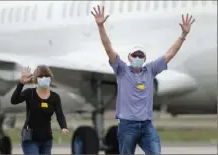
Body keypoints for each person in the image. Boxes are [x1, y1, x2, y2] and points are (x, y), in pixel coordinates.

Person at [91, 5, 195, 155]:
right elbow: (108, 48)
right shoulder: (122, 70)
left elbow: (170, 53)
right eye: (135, 55)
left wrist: (183, 35)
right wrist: (100, 26)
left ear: (145, 58)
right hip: (127, 126)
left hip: (146, 126)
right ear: (129, 57)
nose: (138, 58)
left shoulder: (150, 70)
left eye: (141, 56)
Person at [11, 65, 69, 154]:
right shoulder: (30, 93)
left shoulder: (55, 97)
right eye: (41, 76)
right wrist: (21, 84)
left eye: (47, 76)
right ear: (35, 79)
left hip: (46, 139)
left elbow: (60, 114)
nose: (44, 78)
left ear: (50, 78)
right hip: (30, 139)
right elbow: (14, 101)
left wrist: (64, 127)